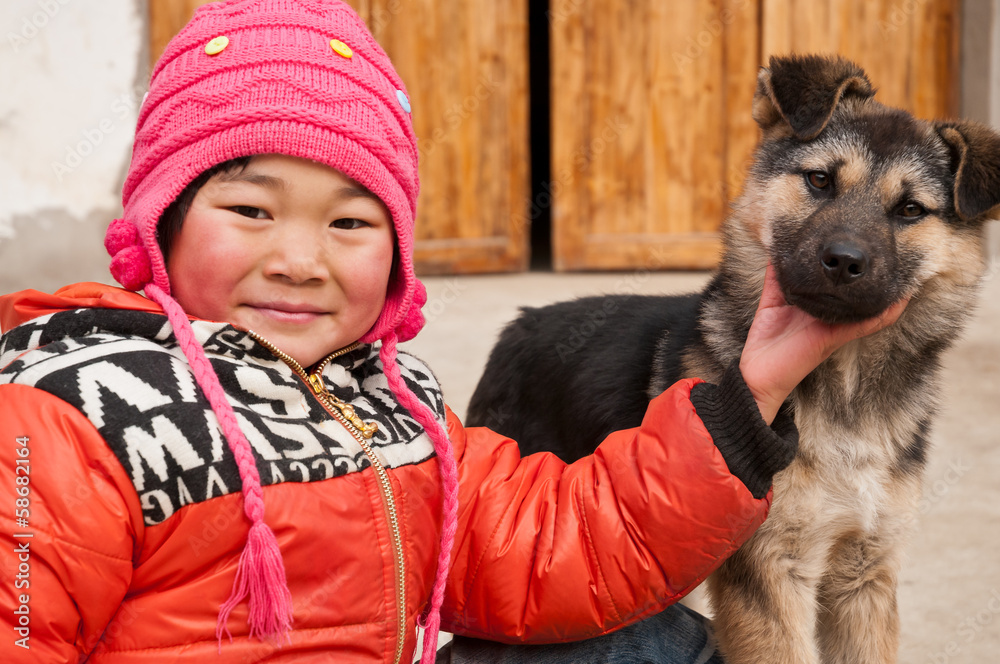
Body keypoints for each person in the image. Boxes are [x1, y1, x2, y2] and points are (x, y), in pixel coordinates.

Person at [0, 1, 907, 663]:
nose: (299, 259)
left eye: (351, 224)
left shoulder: (392, 407)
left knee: (642, 640)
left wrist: (752, 389)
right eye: (249, 208)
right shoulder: (72, 411)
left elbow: (562, 544)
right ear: (160, 221)